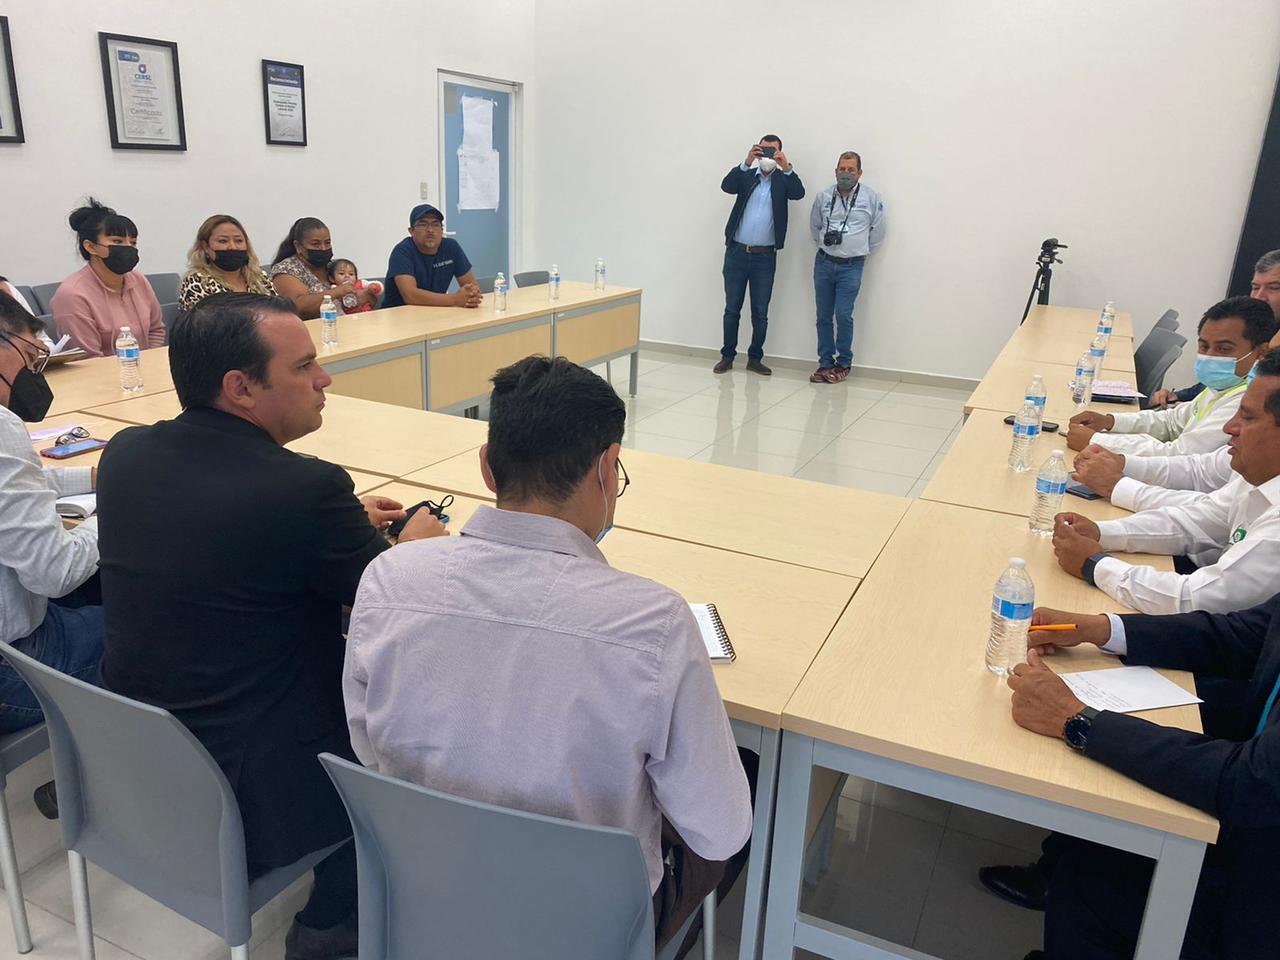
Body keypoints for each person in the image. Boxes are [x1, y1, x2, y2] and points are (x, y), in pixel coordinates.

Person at [343, 355, 753, 958]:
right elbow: (720, 832)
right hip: (587, 928)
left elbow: (367, 747)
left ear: (487, 466)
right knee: (743, 780)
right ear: (607, 468)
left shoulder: (387, 578)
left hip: (426, 896)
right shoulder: (658, 623)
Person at [95, 292, 446, 960]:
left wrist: (339, 525)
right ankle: (333, 921)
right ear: (240, 387)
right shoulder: (304, 490)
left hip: (138, 767)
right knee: (419, 715)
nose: (325, 379)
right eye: (305, 367)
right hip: (250, 792)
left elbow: (226, 530)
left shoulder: (127, 453)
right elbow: (394, 604)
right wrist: (415, 548)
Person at [992, 593, 1280, 960]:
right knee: (1099, 823)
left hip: (1259, 898)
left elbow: (1252, 782)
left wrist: (1077, 721)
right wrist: (1100, 629)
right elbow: (1242, 635)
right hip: (1254, 816)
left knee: (1090, 885)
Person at [1050, 349, 1280, 615]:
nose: (1229, 427)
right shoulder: (1257, 474)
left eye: (1248, 418)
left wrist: (1095, 564)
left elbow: (1194, 598)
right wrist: (1101, 533)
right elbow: (1194, 521)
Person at [0, 291, 103, 735]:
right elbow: (55, 572)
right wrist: (120, 508)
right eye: (30, 357)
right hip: (15, 666)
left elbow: (20, 483)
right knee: (159, 623)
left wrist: (97, 476)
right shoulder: (1, 426)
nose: (33, 373)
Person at [1066, 297, 1276, 456]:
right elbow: (1171, 422)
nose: (1209, 356)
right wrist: (1110, 421)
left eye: (1224, 349)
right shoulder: (1222, 386)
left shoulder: (1247, 401)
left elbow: (1180, 455)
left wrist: (1098, 441)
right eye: (1204, 346)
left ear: (1261, 352)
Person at [714, 135, 806, 376]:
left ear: (780, 153)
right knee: (732, 308)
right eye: (763, 150)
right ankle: (727, 356)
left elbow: (798, 193)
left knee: (760, 312)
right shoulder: (747, 176)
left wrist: (786, 167)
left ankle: (755, 358)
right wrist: (746, 161)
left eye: (772, 151)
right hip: (737, 252)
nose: (767, 155)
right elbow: (727, 186)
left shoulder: (782, 181)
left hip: (765, 257)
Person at [1148, 251, 1280, 408]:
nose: (1259, 296)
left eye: (1274, 288)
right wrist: (1178, 396)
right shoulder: (1255, 324)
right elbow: (1218, 381)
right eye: (1255, 287)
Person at [50, 199, 165, 358]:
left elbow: (156, 330)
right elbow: (88, 359)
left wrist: (148, 363)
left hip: (145, 368)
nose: (128, 248)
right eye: (117, 241)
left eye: (133, 243)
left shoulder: (138, 280)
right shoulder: (72, 295)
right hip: (99, 372)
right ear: (91, 247)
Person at [807, 151, 885, 383]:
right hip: (824, 263)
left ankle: (843, 363)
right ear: (835, 171)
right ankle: (825, 363)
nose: (846, 173)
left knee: (843, 315)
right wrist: (827, 246)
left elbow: (878, 232)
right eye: (842, 169)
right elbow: (815, 227)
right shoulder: (823, 196)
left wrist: (857, 249)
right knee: (823, 316)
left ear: (859, 173)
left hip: (852, 266)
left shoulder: (871, 198)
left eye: (851, 170)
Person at [270, 217, 378, 319]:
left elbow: (351, 299)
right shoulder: (286, 269)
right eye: (316, 244)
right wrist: (338, 291)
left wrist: (364, 296)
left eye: (327, 243)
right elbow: (297, 307)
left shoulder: (332, 267)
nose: (323, 248)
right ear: (298, 246)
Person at [379, 204, 481, 309]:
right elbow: (411, 296)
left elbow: (471, 286)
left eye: (436, 224)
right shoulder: (402, 251)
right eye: (422, 225)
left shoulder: (451, 247)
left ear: (442, 230)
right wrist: (455, 299)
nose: (430, 230)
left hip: (435, 311)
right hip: (400, 314)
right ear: (411, 231)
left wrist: (472, 296)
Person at [178, 214, 276, 311]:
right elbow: (205, 320)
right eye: (223, 241)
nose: (232, 247)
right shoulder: (197, 281)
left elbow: (279, 311)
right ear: (205, 247)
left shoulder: (259, 277)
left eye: (239, 241)